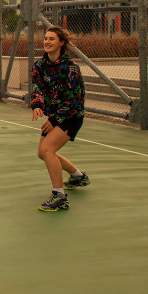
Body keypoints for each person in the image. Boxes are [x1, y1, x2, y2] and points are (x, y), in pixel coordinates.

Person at [31, 26, 89, 212]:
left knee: (48, 149)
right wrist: (38, 105)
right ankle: (78, 176)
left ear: (61, 43)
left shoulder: (71, 69)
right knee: (43, 153)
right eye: (46, 38)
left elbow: (74, 100)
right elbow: (38, 89)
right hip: (55, 116)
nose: (47, 41)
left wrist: (55, 120)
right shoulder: (39, 66)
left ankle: (59, 196)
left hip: (71, 116)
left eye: (52, 39)